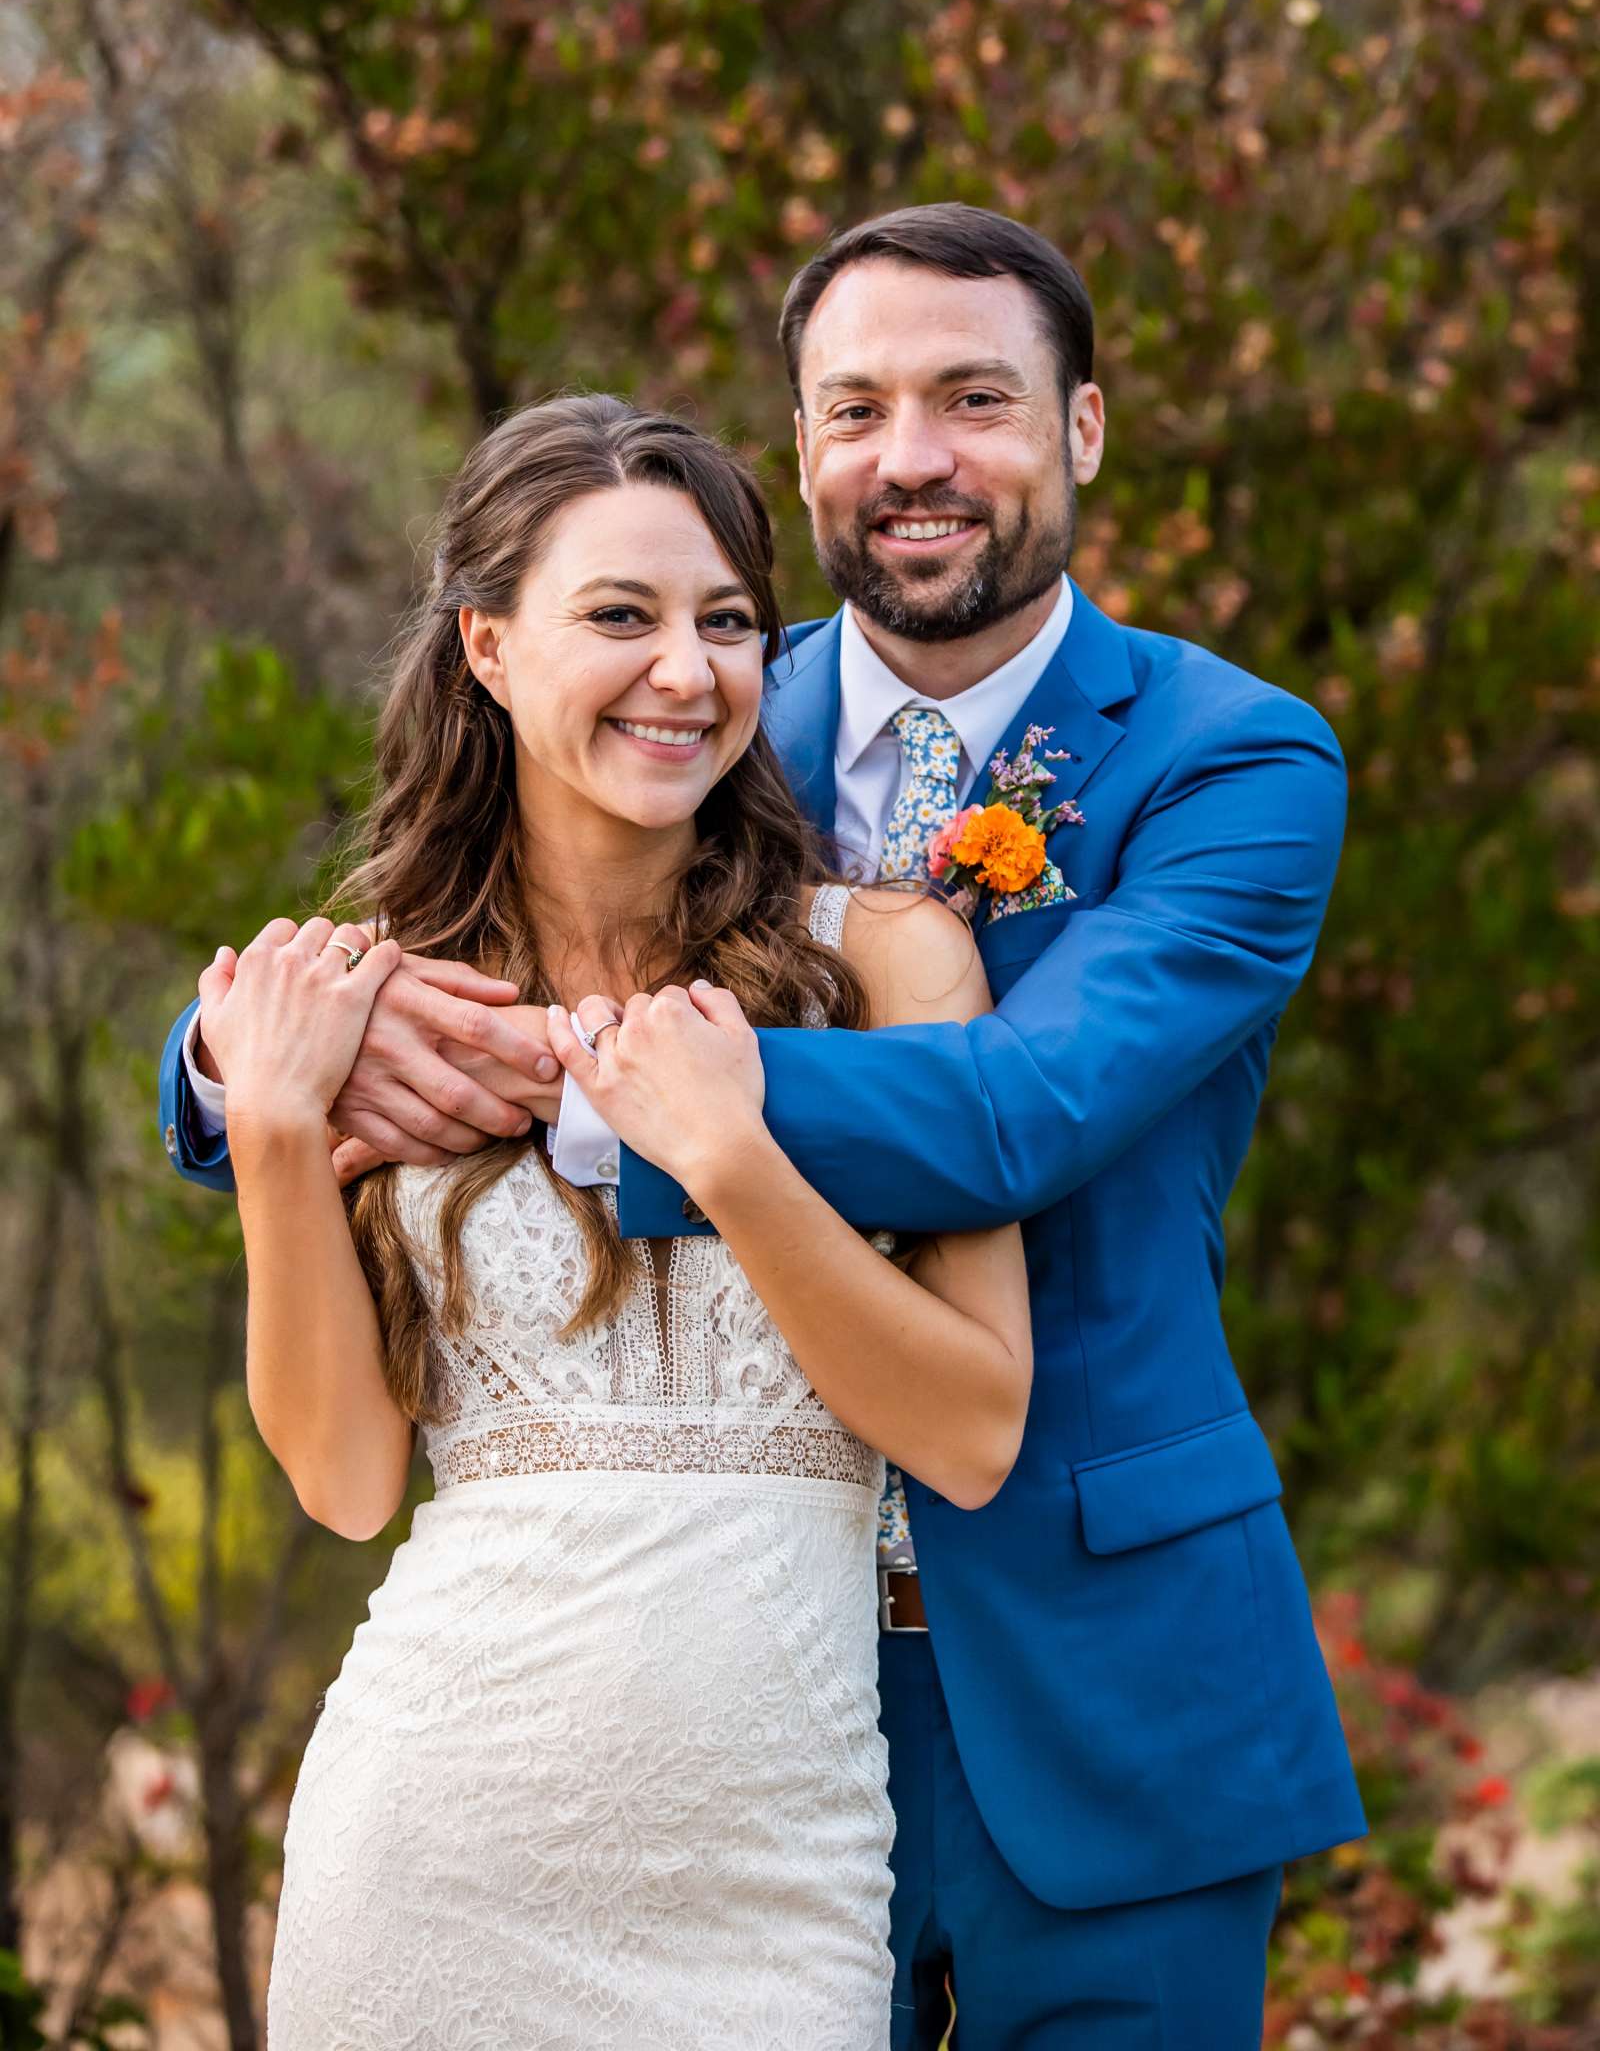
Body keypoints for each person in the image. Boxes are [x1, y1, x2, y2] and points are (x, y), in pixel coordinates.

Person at [162, 203, 1368, 2047]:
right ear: (801, 444)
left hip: (1101, 1665)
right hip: (725, 1709)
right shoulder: (689, 708)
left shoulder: (1229, 760)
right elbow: (427, 930)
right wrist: (241, 1067)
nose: (915, 459)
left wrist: (593, 1085)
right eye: (858, 407)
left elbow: (1029, 1104)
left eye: (976, 400)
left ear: (1084, 430)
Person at [179, 395, 1031, 2050]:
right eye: (620, 617)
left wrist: (736, 1161)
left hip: (774, 1887)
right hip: (427, 1857)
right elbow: (348, 1480)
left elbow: (976, 1431)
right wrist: (280, 1136)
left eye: (725, 621)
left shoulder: (892, 964)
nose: (688, 669)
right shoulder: (382, 1002)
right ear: (488, 648)